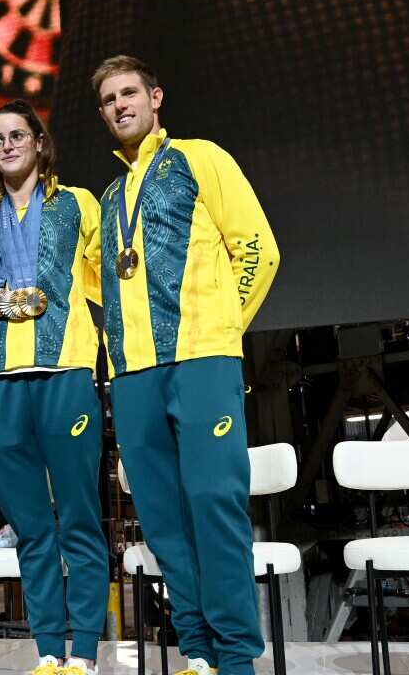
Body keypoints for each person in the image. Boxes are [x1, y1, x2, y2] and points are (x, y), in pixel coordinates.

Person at [93, 55, 280, 675]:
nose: (120, 105)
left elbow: (257, 246)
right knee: (163, 519)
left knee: (213, 504)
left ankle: (236, 659)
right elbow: (99, 280)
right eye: (109, 99)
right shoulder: (110, 196)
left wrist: (223, 326)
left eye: (129, 93)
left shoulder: (202, 158)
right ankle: (197, 651)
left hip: (202, 360)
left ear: (156, 97)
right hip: (135, 373)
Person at [0, 101, 110, 675]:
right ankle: (50, 651)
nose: (6, 146)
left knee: (79, 517)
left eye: (16, 135)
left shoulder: (78, 204)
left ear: (39, 142)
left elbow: (111, 281)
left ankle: (85, 653)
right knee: (29, 525)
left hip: (65, 374)